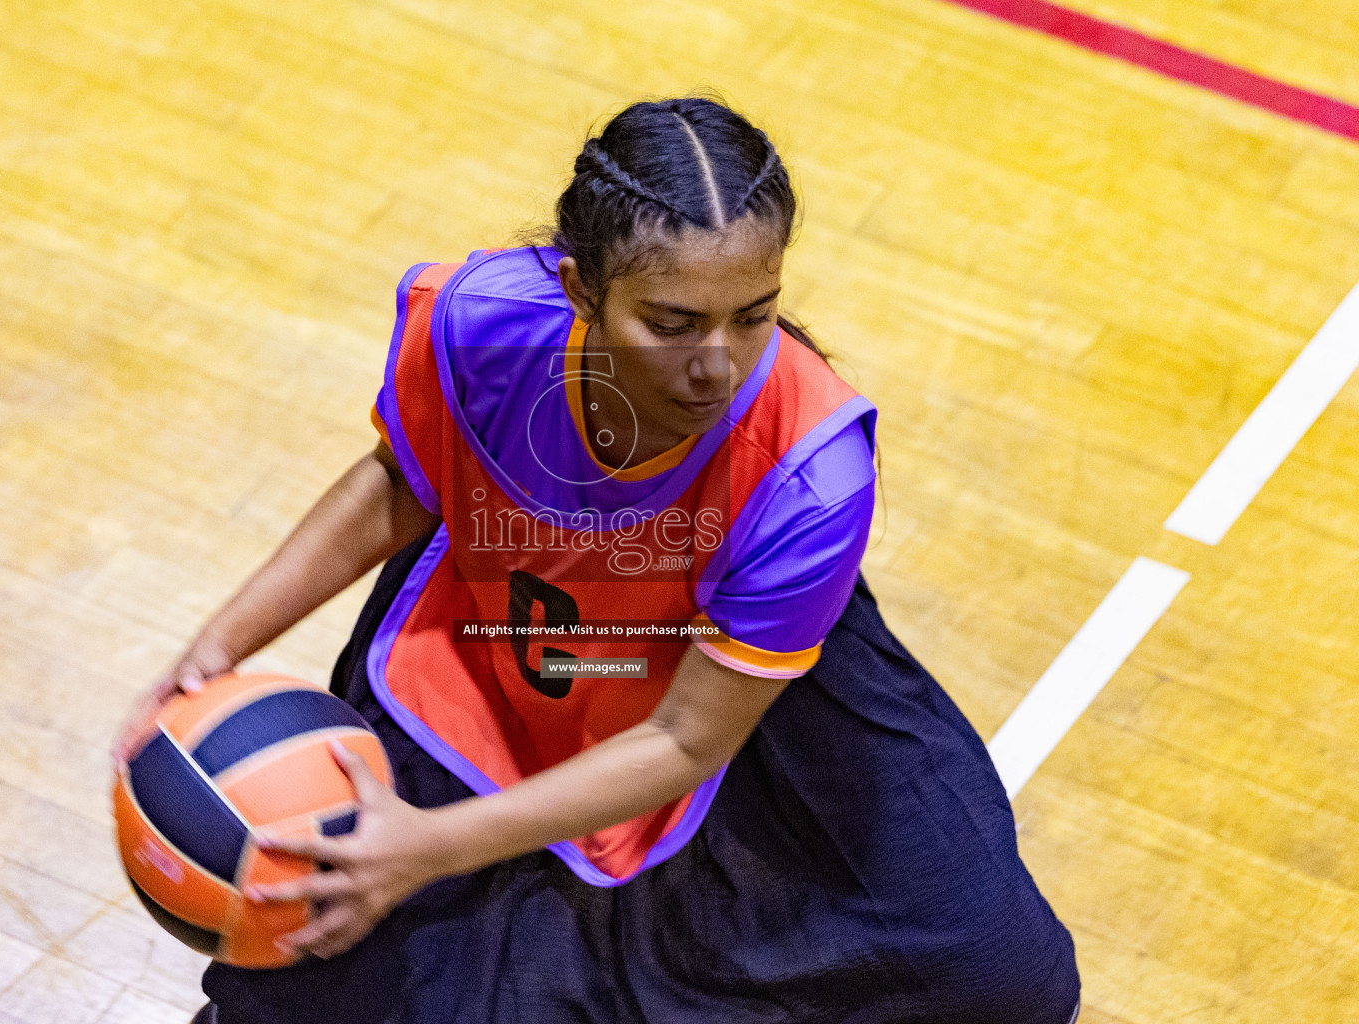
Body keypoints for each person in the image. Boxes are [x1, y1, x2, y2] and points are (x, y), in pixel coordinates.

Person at [114, 96, 1081, 1023]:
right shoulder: (481, 324)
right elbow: (404, 484)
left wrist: (433, 848)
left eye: (755, 314)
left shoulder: (811, 474)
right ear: (582, 288)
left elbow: (686, 743)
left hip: (726, 701)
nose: (718, 364)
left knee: (999, 977)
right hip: (504, 643)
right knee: (322, 965)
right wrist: (213, 648)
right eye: (671, 324)